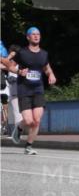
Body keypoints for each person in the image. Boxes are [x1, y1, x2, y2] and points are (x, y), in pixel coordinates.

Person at [7, 27, 57, 155]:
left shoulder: (44, 54)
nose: (36, 36)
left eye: (38, 34)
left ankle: (28, 146)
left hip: (38, 90)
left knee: (37, 120)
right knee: (29, 121)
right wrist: (19, 71)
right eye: (33, 34)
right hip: (24, 90)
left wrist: (51, 75)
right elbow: (10, 66)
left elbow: (47, 68)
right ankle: (19, 127)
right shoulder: (22, 53)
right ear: (28, 37)